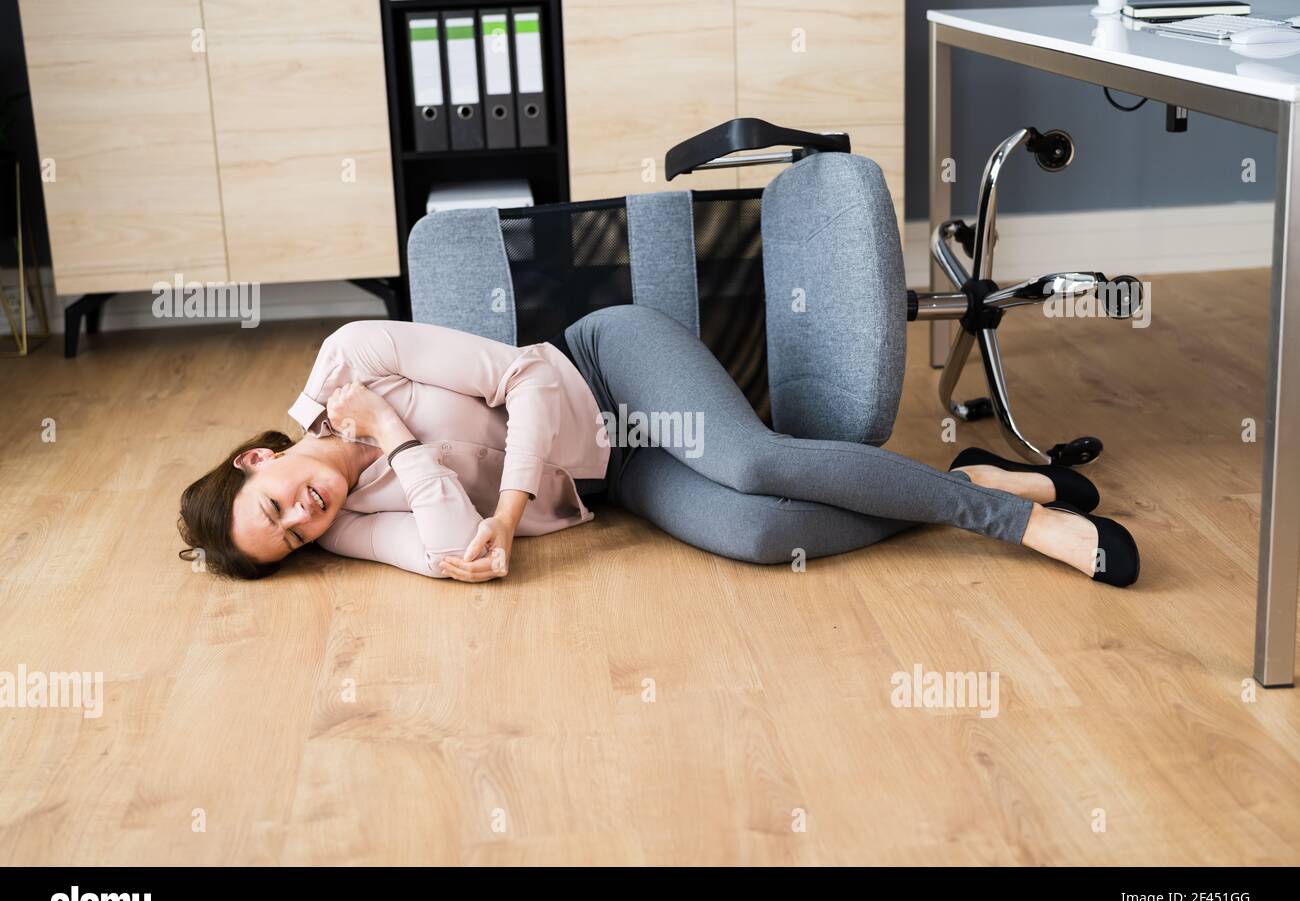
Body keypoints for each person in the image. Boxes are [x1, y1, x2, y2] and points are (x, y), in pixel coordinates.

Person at [178, 310, 1138, 586]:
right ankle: (955, 482)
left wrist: (505, 515)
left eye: (277, 506)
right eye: (297, 541)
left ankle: (1016, 522)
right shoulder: (348, 525)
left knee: (755, 465)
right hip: (617, 477)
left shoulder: (351, 355)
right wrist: (394, 447)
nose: (310, 517)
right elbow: (445, 550)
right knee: (762, 539)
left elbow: (519, 377)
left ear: (255, 459)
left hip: (605, 370)